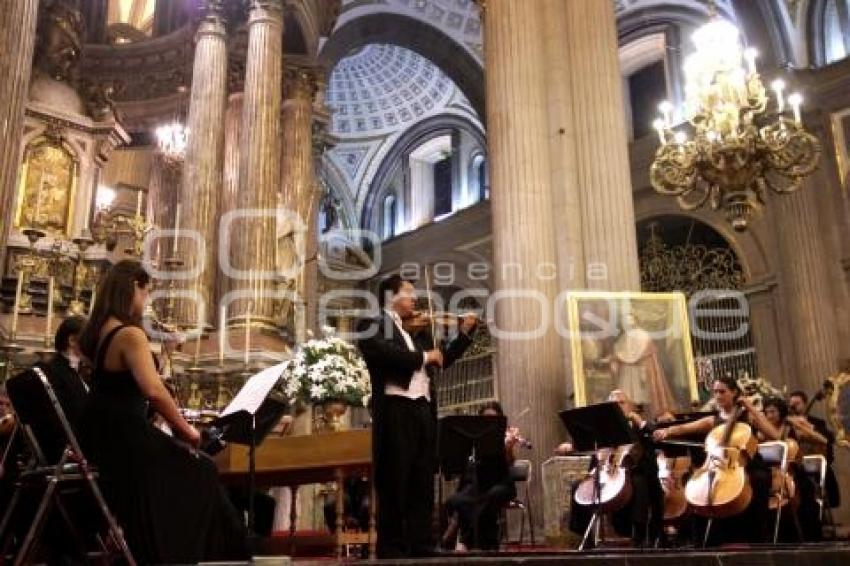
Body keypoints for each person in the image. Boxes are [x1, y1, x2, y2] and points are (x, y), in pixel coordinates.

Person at [78, 260, 248, 564]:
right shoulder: (130, 334)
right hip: (127, 438)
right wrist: (187, 430)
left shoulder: (100, 332)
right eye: (146, 293)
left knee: (190, 467)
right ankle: (185, 554)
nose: (146, 302)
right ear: (133, 289)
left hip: (104, 435)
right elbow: (154, 391)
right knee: (203, 469)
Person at [356, 274, 478, 558]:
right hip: (396, 409)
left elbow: (442, 358)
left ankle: (422, 545)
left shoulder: (418, 331)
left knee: (421, 480)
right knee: (395, 481)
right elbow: (381, 352)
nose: (415, 298)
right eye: (409, 293)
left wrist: (465, 334)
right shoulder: (371, 324)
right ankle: (392, 548)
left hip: (423, 409)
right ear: (390, 297)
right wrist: (424, 358)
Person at [653, 376, 776, 545]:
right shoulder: (713, 420)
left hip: (749, 465)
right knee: (698, 489)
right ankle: (705, 542)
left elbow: (773, 435)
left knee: (759, 480)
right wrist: (667, 431)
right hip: (720, 466)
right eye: (715, 392)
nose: (718, 396)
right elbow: (685, 427)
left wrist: (750, 407)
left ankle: (760, 540)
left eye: (722, 391)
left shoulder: (749, 417)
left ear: (734, 393)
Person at [566, 390, 665, 547]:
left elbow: (657, 436)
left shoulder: (639, 427)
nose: (617, 407)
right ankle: (586, 539)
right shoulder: (602, 431)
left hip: (634, 474)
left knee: (640, 483)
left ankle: (638, 536)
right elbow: (591, 453)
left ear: (630, 407)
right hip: (607, 474)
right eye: (613, 404)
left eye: (621, 403)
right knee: (577, 486)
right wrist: (571, 447)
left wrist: (641, 423)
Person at [441, 401, 519, 551]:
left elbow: (509, 462)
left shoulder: (504, 437)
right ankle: (484, 542)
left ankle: (463, 539)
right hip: (478, 485)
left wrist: (507, 448)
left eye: (494, 419)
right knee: (455, 500)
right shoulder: (474, 438)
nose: (490, 423)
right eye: (486, 419)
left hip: (501, 483)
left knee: (490, 497)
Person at [761, 397, 822, 541]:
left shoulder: (791, 429)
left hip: (793, 471)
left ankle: (807, 536)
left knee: (806, 490)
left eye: (773, 412)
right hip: (771, 473)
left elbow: (823, 440)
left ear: (781, 412)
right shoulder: (762, 431)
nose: (769, 416)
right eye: (766, 412)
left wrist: (802, 426)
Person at [605, 311, 676, 418]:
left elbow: (643, 356)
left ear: (635, 320)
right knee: (627, 397)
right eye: (624, 320)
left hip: (640, 372)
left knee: (641, 398)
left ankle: (642, 417)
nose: (627, 322)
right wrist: (612, 360)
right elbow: (619, 353)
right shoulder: (623, 338)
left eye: (629, 319)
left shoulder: (643, 336)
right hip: (627, 372)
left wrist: (642, 369)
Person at [788, 390, 840, 509]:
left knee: (822, 475)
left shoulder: (817, 422)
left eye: (797, 404)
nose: (794, 407)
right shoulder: (788, 424)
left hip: (814, 464)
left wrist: (809, 426)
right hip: (795, 464)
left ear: (805, 404)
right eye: (792, 405)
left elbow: (830, 439)